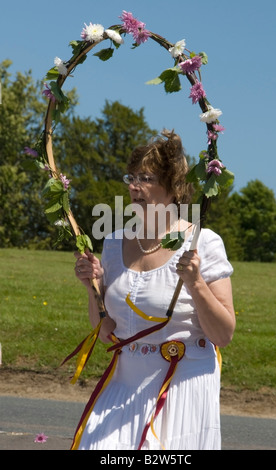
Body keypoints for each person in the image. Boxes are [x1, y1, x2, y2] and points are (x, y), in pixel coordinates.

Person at [73, 129, 235, 450]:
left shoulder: (203, 242)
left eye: (145, 177)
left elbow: (224, 335)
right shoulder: (115, 242)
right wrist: (91, 286)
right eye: (131, 177)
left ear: (173, 187)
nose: (134, 185)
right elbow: (105, 330)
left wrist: (196, 283)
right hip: (125, 384)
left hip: (182, 390)